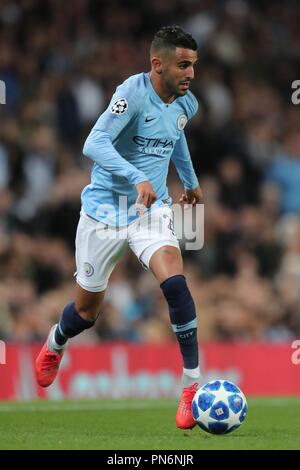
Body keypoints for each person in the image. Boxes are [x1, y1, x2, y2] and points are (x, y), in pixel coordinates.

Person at [35, 25, 203, 430]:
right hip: (104, 212)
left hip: (151, 211)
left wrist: (192, 182)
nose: (191, 74)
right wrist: (135, 177)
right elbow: (93, 143)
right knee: (86, 313)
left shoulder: (187, 104)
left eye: (194, 66)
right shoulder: (132, 92)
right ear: (156, 64)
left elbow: (175, 137)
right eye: (183, 65)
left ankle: (191, 384)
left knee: (175, 284)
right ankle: (57, 340)